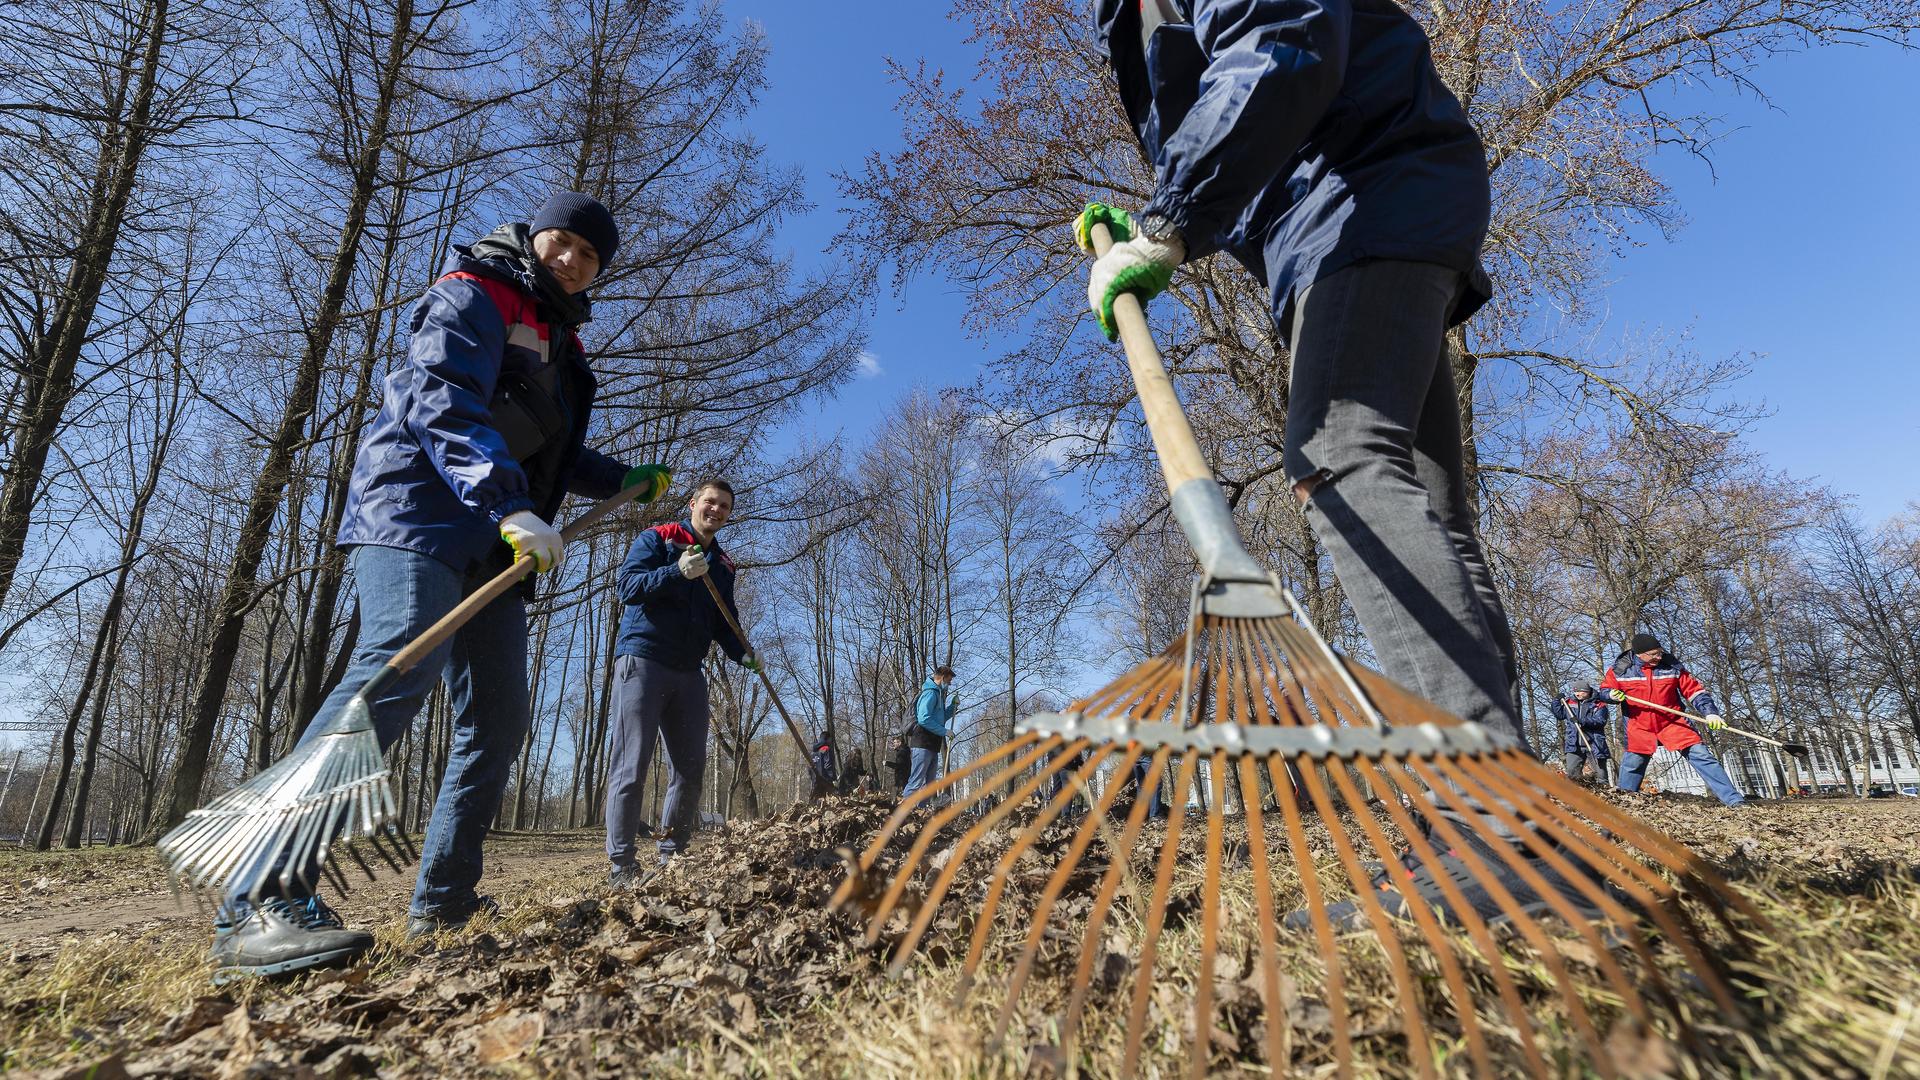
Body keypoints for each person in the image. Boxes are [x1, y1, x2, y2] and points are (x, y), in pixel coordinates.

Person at [1085, 0, 1595, 929]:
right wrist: (1163, 200)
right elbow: (1252, 121)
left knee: (1339, 457)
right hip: (1378, 199)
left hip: (1366, 198)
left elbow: (1284, 43)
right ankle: (1507, 814)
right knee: (1429, 511)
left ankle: (1488, 815)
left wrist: (1166, 225)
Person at [208, 192, 668, 982]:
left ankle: (445, 900)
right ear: (535, 237)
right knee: (396, 661)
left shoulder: (564, 347)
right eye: (563, 243)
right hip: (416, 513)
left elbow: (545, 451)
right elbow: (442, 400)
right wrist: (511, 503)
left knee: (501, 715)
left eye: (590, 257)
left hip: (494, 538)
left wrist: (618, 478)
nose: (572, 260)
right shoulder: (475, 291)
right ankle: (259, 901)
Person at [605, 480, 756, 886]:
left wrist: (741, 651)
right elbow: (628, 588)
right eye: (710, 502)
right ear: (693, 504)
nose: (717, 510)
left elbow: (725, 621)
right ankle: (622, 866)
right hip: (643, 661)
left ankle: (672, 857)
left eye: (724, 506)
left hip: (690, 672)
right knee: (631, 765)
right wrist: (676, 571)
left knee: (690, 769)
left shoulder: (724, 565)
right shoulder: (659, 538)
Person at [1600, 634, 1745, 808]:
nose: (1659, 657)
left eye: (1660, 652)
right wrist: (1611, 695)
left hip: (1673, 722)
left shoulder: (1672, 666)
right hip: (1639, 725)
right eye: (1653, 654)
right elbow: (1604, 691)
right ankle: (1624, 805)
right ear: (1639, 654)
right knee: (1633, 764)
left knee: (1702, 755)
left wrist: (1710, 712)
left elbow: (1695, 691)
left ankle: (1734, 800)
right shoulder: (1620, 670)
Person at [901, 666, 957, 800]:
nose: (949, 684)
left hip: (932, 744)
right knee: (916, 782)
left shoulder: (937, 694)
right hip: (922, 743)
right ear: (942, 678)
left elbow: (940, 718)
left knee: (929, 785)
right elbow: (924, 718)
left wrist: (953, 706)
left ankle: (922, 814)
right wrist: (945, 731)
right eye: (948, 681)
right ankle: (903, 813)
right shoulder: (930, 693)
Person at [1551, 684, 1611, 786]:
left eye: (1581, 691)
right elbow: (1559, 714)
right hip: (1574, 745)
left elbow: (1600, 720)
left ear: (1588, 692)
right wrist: (1556, 701)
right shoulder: (1569, 703)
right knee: (1572, 774)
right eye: (1576, 691)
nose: (1577, 693)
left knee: (1601, 776)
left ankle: (1607, 797)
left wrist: (1582, 721)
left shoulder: (1599, 704)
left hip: (1594, 744)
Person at [809, 734, 839, 800]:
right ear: (826, 739)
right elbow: (828, 765)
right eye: (830, 740)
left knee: (816, 804)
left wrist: (813, 779)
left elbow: (809, 769)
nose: (831, 742)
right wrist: (833, 779)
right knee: (831, 802)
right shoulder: (826, 749)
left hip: (816, 782)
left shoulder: (812, 753)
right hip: (826, 781)